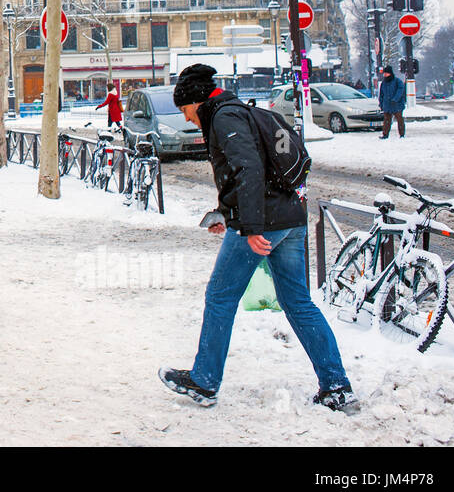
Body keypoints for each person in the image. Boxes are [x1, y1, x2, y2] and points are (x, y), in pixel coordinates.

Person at [159, 63, 355, 412]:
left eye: (185, 110)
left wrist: (250, 229)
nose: (187, 119)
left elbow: (248, 170)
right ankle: (336, 385)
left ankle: (204, 381)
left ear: (197, 101)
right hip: (290, 218)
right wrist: (226, 213)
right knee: (298, 302)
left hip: (264, 223)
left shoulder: (224, 118)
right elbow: (246, 174)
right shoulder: (239, 113)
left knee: (220, 296)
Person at [378, 64, 407, 139]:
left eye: (386, 73)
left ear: (390, 73)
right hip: (387, 105)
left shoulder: (397, 81)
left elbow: (400, 91)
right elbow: (381, 94)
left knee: (399, 120)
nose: (385, 74)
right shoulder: (383, 83)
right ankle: (385, 134)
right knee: (386, 121)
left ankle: (401, 134)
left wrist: (395, 99)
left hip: (397, 104)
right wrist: (381, 104)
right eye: (384, 73)